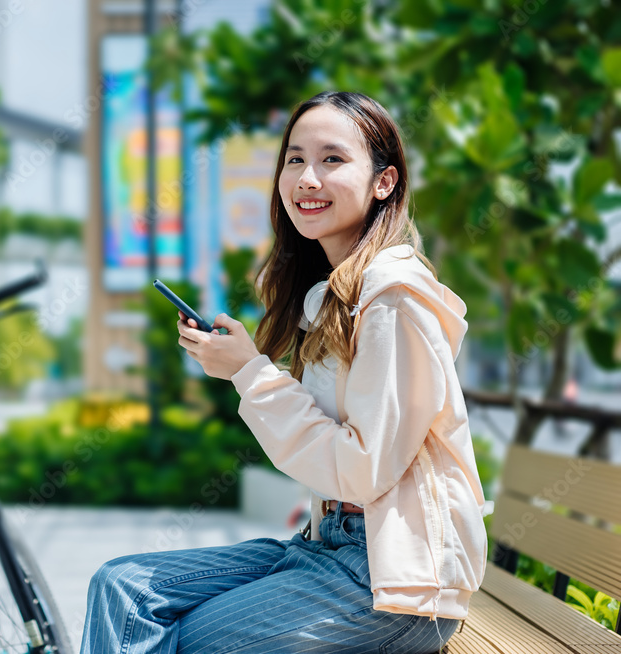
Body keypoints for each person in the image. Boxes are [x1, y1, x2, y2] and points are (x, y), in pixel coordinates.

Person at [79, 91, 488, 653]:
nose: (307, 179)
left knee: (187, 644)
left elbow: (363, 468)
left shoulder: (395, 299)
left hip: (395, 581)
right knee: (122, 588)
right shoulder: (335, 294)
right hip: (327, 547)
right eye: (295, 159)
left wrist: (252, 373)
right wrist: (248, 370)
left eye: (332, 159)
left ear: (384, 182)